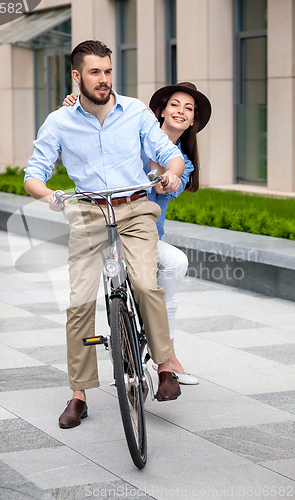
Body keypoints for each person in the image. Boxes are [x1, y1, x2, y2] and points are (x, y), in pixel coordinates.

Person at [24, 40, 185, 429]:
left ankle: (166, 367)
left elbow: (169, 153)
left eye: (108, 71)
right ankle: (78, 394)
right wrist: (52, 197)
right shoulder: (59, 121)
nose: (103, 80)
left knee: (146, 285)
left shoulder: (135, 112)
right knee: (79, 303)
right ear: (77, 76)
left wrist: (173, 173)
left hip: (134, 210)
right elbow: (33, 175)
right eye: (95, 72)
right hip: (89, 213)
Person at [62, 81, 212, 385]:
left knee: (175, 265)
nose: (181, 111)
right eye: (175, 104)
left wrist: (168, 174)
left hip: (146, 235)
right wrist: (78, 107)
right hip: (107, 225)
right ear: (161, 110)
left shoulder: (183, 163)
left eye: (188, 108)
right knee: (83, 299)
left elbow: (162, 185)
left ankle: (162, 346)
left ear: (193, 120)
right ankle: (160, 351)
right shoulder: (136, 134)